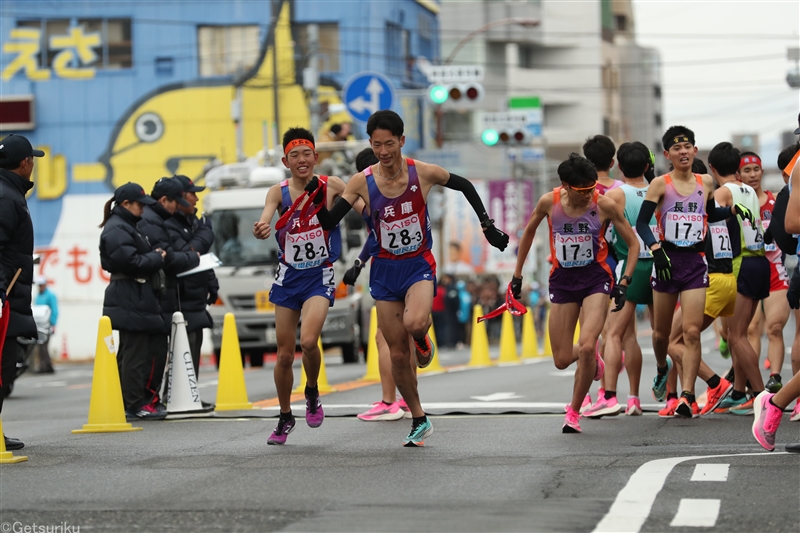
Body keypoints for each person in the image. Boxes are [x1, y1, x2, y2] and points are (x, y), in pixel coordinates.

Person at [307, 110, 509, 446]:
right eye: (377, 145)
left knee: (416, 323)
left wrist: (487, 225)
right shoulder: (362, 182)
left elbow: (465, 185)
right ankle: (418, 417)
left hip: (418, 264)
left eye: (389, 144)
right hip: (384, 271)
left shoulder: (423, 172)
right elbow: (330, 222)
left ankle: (422, 339)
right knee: (396, 353)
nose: (384, 151)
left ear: (401, 141)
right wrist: (315, 194)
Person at [511, 153, 641, 433]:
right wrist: (517, 274)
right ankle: (593, 359)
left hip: (596, 278)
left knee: (584, 345)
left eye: (592, 188)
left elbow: (633, 244)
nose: (589, 195)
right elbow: (529, 234)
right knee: (560, 359)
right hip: (562, 280)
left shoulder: (603, 205)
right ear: (565, 186)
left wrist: (625, 281)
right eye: (582, 190)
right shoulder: (549, 202)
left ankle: (573, 410)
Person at [635, 127, 756, 419]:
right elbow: (641, 224)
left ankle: (687, 396)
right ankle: (663, 367)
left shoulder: (706, 182)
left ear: (694, 149)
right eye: (677, 149)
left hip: (695, 263)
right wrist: (656, 251)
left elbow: (710, 213)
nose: (684, 152)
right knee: (661, 334)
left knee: (691, 331)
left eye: (688, 146)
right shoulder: (660, 185)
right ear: (667, 155)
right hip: (666, 261)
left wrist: (733, 212)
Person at [253, 127, 356, 445]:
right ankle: (285, 415)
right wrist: (262, 227)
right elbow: (266, 218)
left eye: (307, 153)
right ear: (286, 160)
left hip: (319, 276)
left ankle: (311, 390)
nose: (301, 160)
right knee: (284, 355)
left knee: (309, 341)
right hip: (288, 277)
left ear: (315, 156)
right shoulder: (278, 192)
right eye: (294, 155)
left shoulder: (332, 185)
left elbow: (362, 204)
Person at [582, 142, 654, 418]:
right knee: (640, 336)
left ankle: (606, 394)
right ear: (613, 162)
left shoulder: (606, 194)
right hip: (656, 264)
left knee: (607, 335)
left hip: (615, 265)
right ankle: (637, 397)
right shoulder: (658, 188)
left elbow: (596, 229)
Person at [345, 147, 412, 422]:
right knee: (406, 338)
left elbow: (375, 235)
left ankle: (389, 401)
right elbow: (376, 236)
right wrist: (359, 263)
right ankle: (409, 399)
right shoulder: (404, 190)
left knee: (384, 337)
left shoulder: (368, 198)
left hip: (388, 269)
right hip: (417, 266)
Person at [707, 142, 768, 415]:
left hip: (740, 262)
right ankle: (739, 392)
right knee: (735, 336)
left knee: (738, 336)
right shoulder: (750, 191)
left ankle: (761, 396)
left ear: (712, 168)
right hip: (759, 261)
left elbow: (710, 219)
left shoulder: (722, 192)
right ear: (737, 167)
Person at [99, 182, 167, 420]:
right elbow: (130, 262)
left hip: (134, 294)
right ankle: (133, 404)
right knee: (134, 354)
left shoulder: (126, 225)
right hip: (130, 293)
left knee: (134, 352)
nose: (143, 209)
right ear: (125, 204)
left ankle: (131, 402)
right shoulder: (118, 228)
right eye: (139, 205)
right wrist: (156, 257)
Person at [137, 177, 200, 408]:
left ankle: (148, 400)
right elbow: (168, 258)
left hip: (159, 295)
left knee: (150, 351)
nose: (178, 207)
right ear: (164, 200)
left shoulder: (154, 219)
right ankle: (148, 401)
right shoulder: (153, 222)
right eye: (176, 202)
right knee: (153, 352)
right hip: (157, 296)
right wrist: (194, 257)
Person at [0, 134, 43, 450]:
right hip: (4, 300)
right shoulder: (7, 198)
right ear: (26, 163)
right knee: (2, 369)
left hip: (9, 295)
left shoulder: (8, 194)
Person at [739, 152, 790, 393]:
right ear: (738, 174)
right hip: (748, 271)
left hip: (774, 272)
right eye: (746, 171)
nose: (752, 175)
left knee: (775, 327)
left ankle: (775, 377)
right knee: (748, 330)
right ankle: (751, 381)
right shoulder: (735, 204)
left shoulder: (776, 201)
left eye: (756, 170)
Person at [166, 174, 218, 398]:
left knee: (193, 346)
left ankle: (190, 395)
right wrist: (205, 236)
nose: (196, 199)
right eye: (191, 194)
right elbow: (188, 253)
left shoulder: (193, 222)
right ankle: (175, 396)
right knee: (179, 349)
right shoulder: (168, 224)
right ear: (179, 198)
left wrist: (211, 283)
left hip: (195, 297)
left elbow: (201, 257)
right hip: (180, 297)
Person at [33, 276, 58, 374]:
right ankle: (45, 365)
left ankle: (46, 366)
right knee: (40, 346)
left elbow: (55, 310)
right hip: (39, 324)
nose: (40, 287)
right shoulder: (38, 296)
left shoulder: (50, 295)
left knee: (44, 345)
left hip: (47, 324)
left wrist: (53, 324)